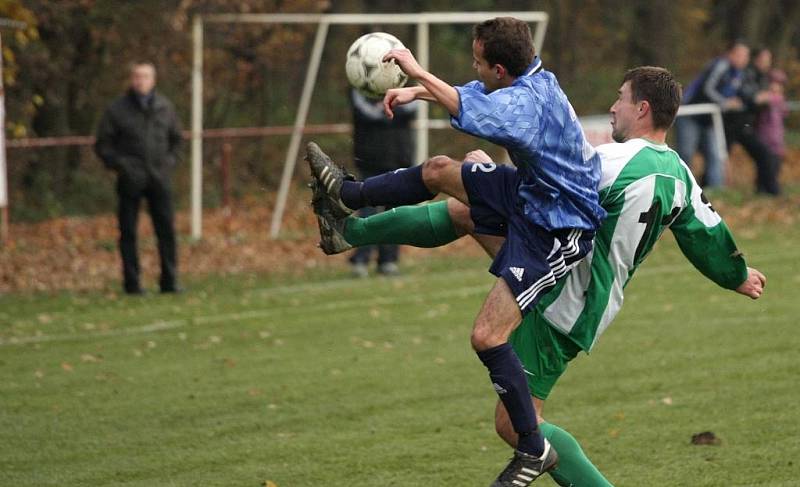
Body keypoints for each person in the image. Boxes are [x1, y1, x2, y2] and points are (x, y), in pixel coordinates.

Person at [309, 66, 766, 486]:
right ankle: (350, 231)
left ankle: (352, 223)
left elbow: (546, 187)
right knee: (464, 210)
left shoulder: (612, 164)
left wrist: (488, 173)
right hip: (569, 280)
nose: (613, 106)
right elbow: (707, 233)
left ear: (642, 109)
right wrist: (737, 274)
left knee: (514, 423)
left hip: (565, 296)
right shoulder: (680, 174)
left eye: (620, 98)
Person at [309, 16, 606, 486]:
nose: (474, 65)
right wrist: (419, 91)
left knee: (488, 336)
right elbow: (479, 95)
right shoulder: (532, 79)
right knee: (440, 169)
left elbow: (481, 113)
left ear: (502, 69)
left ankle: (534, 449)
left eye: (478, 60)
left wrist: (418, 71)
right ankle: (348, 196)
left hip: (556, 229)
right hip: (534, 196)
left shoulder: (527, 105)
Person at [95, 62, 183, 295]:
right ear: (131, 80)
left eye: (145, 77)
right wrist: (122, 166)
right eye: (136, 76)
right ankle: (132, 283)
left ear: (153, 80)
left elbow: (177, 140)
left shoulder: (165, 107)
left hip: (159, 178)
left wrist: (169, 163)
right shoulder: (117, 110)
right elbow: (103, 145)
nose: (140, 81)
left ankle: (170, 280)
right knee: (128, 232)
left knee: (166, 230)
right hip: (130, 179)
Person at [348, 87, 417, 277]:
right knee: (368, 213)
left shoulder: (404, 89)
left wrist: (389, 106)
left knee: (395, 214)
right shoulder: (359, 91)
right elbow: (367, 114)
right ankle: (361, 260)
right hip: (370, 162)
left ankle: (388, 261)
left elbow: (413, 108)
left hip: (399, 161)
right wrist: (387, 109)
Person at [676, 40, 750, 188]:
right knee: (686, 153)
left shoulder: (740, 74)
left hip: (710, 119)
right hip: (691, 114)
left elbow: (738, 94)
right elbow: (707, 88)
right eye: (740, 55)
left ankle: (716, 192)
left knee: (715, 154)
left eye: (746, 56)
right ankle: (680, 189)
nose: (744, 59)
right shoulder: (721, 65)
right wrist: (725, 102)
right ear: (730, 54)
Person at [732, 47, 781, 195]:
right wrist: (761, 96)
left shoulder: (764, 76)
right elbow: (751, 97)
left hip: (750, 123)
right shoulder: (748, 74)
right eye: (763, 60)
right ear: (756, 59)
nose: (766, 63)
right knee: (764, 154)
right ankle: (773, 191)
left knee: (765, 155)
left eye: (768, 60)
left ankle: (763, 190)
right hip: (739, 123)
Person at [756, 68, 789, 185]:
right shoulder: (769, 97)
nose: (776, 87)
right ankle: (765, 187)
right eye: (774, 83)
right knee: (765, 164)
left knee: (775, 164)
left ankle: (770, 186)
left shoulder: (780, 99)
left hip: (777, 138)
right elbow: (759, 99)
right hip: (765, 137)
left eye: (779, 84)